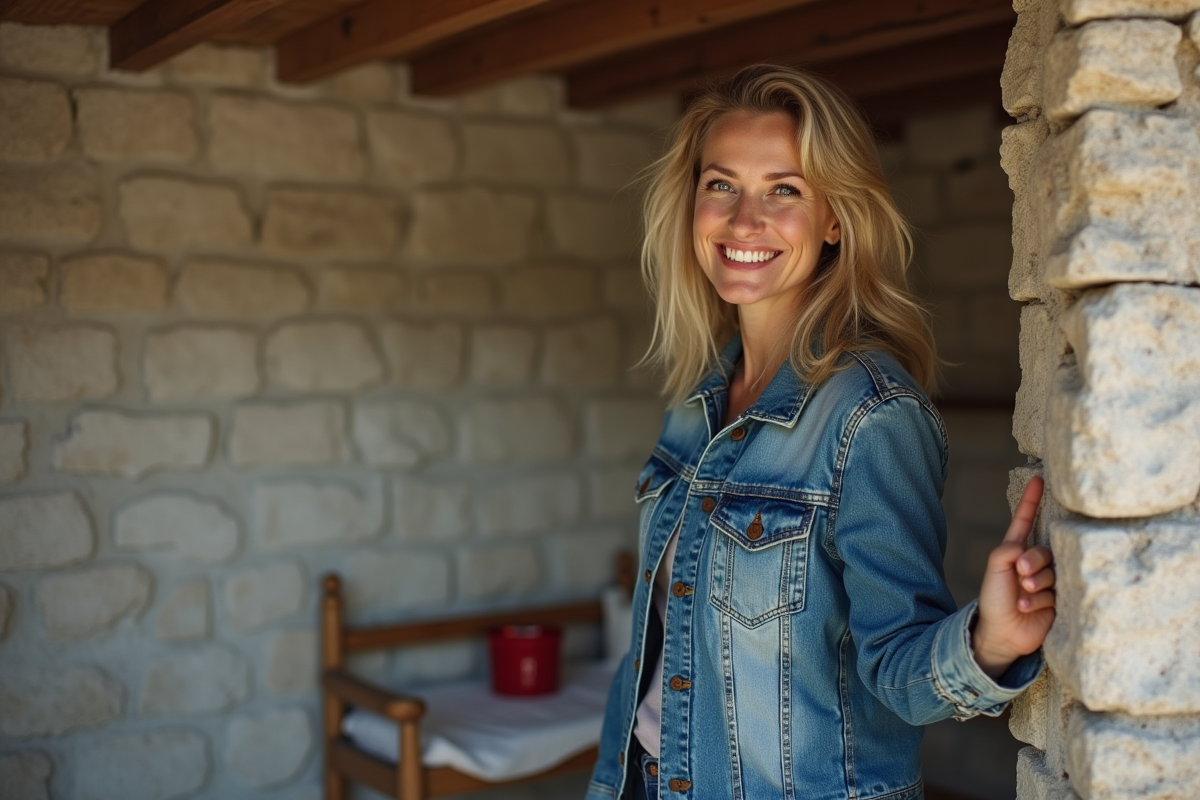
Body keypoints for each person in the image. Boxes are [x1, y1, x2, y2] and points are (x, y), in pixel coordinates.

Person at [586, 64, 1055, 800]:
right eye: (721, 185)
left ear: (835, 218)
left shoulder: (870, 416)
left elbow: (896, 672)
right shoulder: (697, 403)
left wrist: (988, 644)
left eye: (784, 189)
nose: (745, 221)